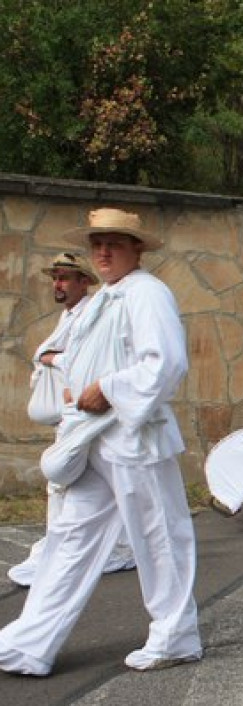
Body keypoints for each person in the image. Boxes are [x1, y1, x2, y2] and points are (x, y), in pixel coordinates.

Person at [0, 208, 202, 676]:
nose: (104, 251)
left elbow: (165, 364)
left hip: (135, 439)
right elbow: (83, 358)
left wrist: (108, 389)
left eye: (114, 243)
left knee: (159, 538)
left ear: (137, 250)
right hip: (94, 438)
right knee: (67, 539)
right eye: (97, 244)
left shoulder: (149, 294)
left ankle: (176, 635)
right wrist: (76, 387)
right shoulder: (102, 300)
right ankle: (29, 643)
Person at [9, 254, 136, 588]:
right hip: (72, 414)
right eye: (55, 278)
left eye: (65, 278)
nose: (58, 284)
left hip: (85, 413)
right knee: (75, 487)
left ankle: (105, 550)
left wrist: (52, 361)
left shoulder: (93, 313)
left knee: (71, 482)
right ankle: (74, 548)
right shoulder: (69, 316)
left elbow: (88, 358)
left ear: (83, 281)